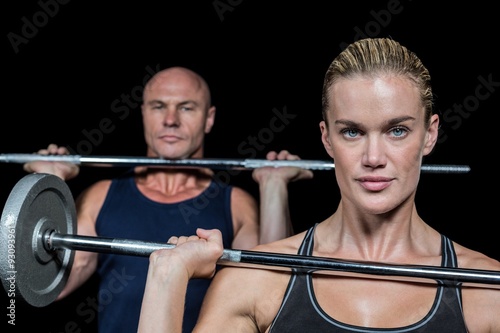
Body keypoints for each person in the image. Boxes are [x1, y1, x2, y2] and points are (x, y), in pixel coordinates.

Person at [137, 38, 500, 332]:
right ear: (327, 139)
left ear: (430, 134)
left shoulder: (486, 289)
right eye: (352, 132)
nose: (374, 156)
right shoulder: (256, 279)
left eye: (397, 131)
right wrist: (167, 275)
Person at [22, 66, 313, 333]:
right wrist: (50, 181)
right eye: (159, 106)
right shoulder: (102, 196)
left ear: (208, 118)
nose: (171, 120)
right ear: (144, 113)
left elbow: (272, 296)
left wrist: (274, 186)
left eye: (186, 107)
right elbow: (54, 284)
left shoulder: (236, 204)